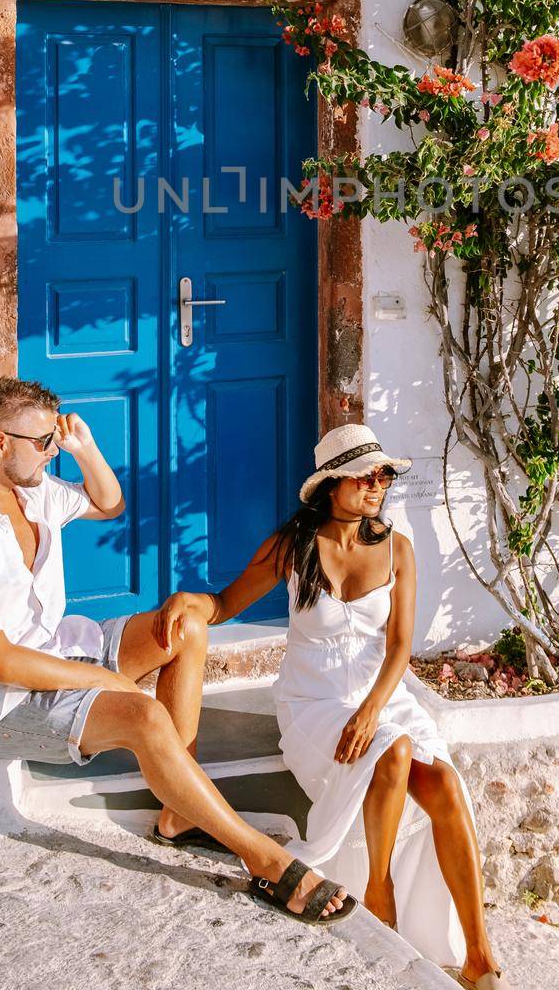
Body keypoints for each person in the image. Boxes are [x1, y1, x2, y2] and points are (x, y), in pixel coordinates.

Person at [0, 375, 355, 927]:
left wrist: (83, 446)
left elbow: (109, 502)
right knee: (142, 714)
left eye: (54, 439)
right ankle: (266, 859)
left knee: (186, 622)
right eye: (43, 441)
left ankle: (178, 812)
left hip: (58, 648)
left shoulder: (33, 493)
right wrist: (108, 683)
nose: (52, 451)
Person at [158, 422, 504, 989]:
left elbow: (400, 649)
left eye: (384, 474)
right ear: (331, 485)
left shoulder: (398, 549)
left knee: (443, 782)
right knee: (393, 751)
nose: (378, 484)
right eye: (365, 475)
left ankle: (480, 956)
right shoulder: (293, 546)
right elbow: (225, 603)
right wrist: (190, 600)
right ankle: (380, 889)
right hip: (312, 703)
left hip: (382, 697)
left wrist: (371, 709)